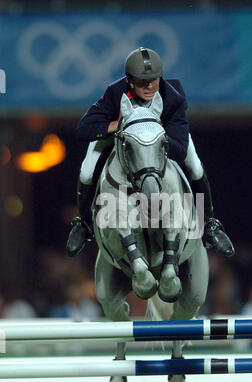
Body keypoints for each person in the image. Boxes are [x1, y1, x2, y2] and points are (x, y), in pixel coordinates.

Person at [67, 47, 234, 258]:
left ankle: (209, 223)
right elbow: (83, 130)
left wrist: (153, 137)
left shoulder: (174, 98)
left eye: (154, 80)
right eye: (141, 81)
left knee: (194, 164)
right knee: (86, 171)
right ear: (129, 81)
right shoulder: (114, 93)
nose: (148, 86)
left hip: (161, 140)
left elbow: (180, 150)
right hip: (121, 137)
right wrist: (116, 125)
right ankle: (83, 223)